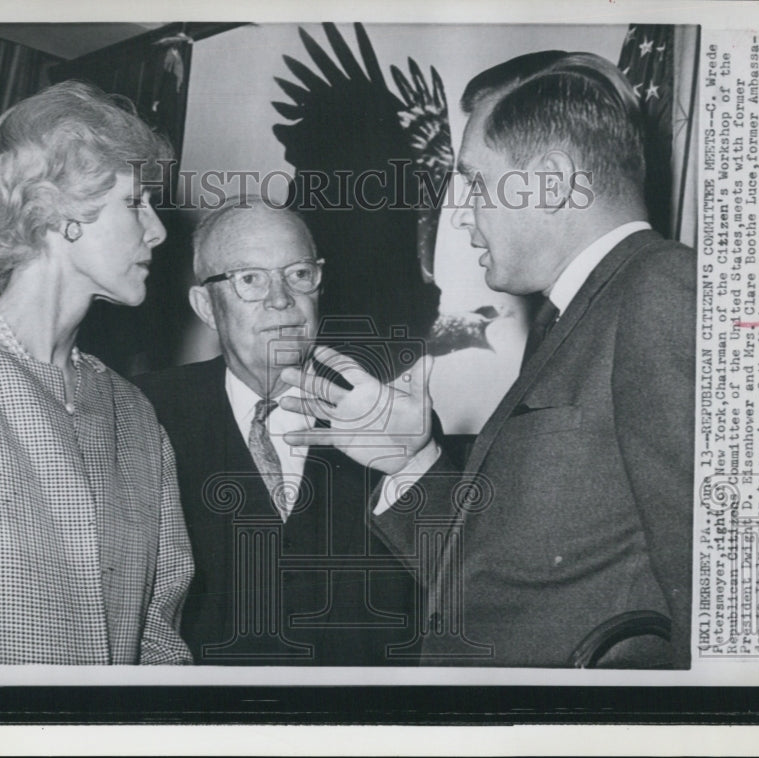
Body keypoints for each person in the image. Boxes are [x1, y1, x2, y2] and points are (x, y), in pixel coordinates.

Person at [279, 51, 695, 668]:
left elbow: (721, 586)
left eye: (475, 181)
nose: (461, 211)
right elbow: (493, 580)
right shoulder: (574, 320)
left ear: (551, 183)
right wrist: (412, 461)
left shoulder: (660, 289)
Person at [0, 81, 194, 665]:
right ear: (60, 210)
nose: (156, 231)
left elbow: (159, 635)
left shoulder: (133, 413)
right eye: (137, 203)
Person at [135, 197, 417, 665]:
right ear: (206, 305)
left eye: (299, 274)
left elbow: (453, 580)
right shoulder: (143, 412)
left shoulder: (391, 420)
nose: (282, 299)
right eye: (250, 279)